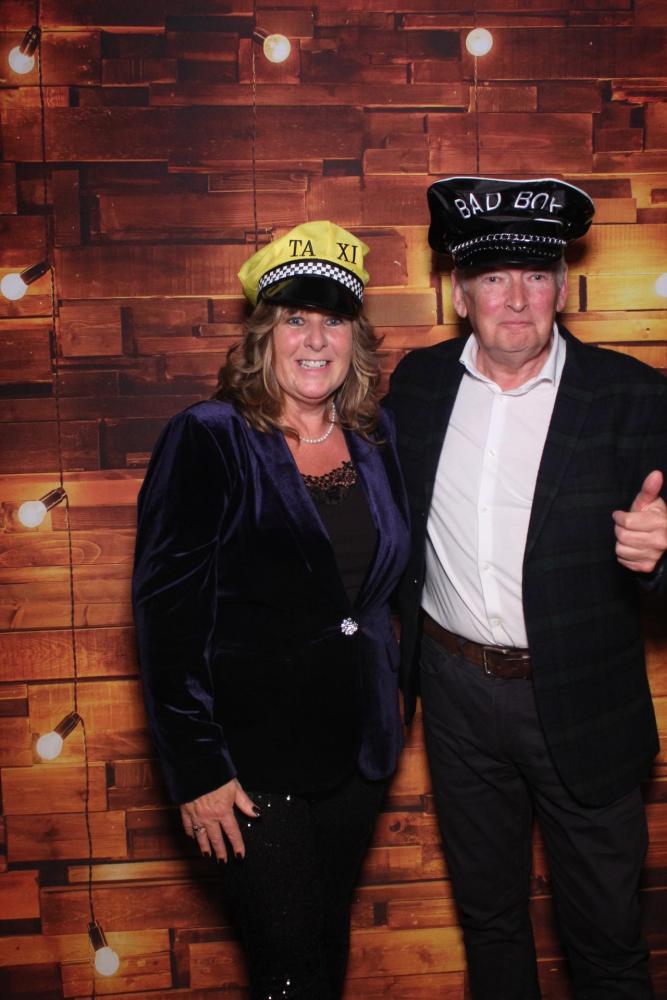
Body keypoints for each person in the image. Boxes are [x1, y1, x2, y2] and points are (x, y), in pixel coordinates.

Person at [385, 176, 667, 999]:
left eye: (536, 276)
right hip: (454, 695)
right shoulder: (418, 385)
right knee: (490, 922)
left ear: (562, 289)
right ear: (458, 293)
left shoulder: (633, 394)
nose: (516, 299)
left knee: (606, 941)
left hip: (582, 698)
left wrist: (663, 551)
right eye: (493, 277)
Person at [132, 221, 410, 1000]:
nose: (315, 340)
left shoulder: (375, 436)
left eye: (334, 320)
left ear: (355, 340)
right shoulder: (208, 437)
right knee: (287, 965)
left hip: (357, 751)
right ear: (263, 336)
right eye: (295, 319)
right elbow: (164, 619)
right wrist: (197, 769)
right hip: (250, 763)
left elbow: (383, 590)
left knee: (325, 944)